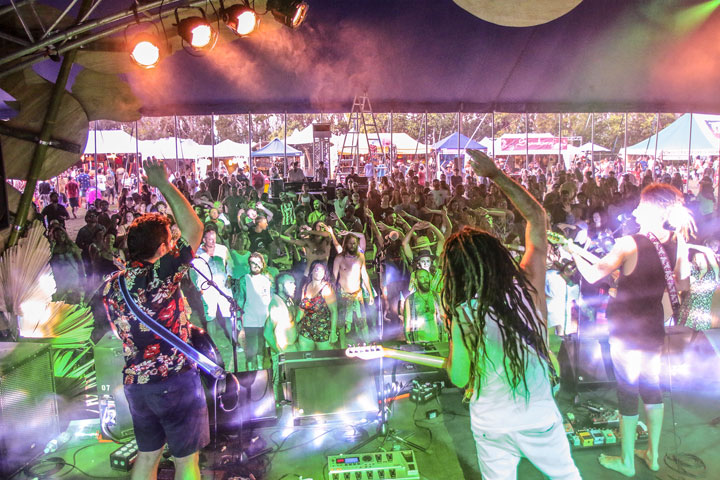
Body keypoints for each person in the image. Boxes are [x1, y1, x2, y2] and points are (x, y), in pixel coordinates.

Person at [443, 149, 581, 480]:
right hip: (538, 417)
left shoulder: (464, 313)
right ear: (498, 257)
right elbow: (537, 217)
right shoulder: (530, 286)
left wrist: (451, 356)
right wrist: (496, 176)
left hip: (492, 424)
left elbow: (460, 378)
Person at [569, 183, 693, 477]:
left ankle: (625, 461)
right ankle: (653, 455)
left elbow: (590, 273)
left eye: (640, 204)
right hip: (653, 326)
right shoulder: (678, 241)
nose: (635, 209)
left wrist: (573, 252)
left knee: (627, 390)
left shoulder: (628, 243)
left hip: (625, 330)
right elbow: (683, 284)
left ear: (652, 209)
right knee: (652, 388)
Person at [98, 158, 206, 480]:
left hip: (137, 386)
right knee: (187, 463)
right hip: (173, 380)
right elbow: (195, 230)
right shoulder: (157, 276)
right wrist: (162, 183)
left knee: (147, 458)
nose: (174, 245)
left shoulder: (112, 285)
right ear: (161, 249)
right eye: (170, 243)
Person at [333, 234, 374, 347]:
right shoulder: (339, 258)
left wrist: (370, 294)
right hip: (343, 295)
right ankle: (342, 347)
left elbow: (364, 275)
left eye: (354, 243)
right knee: (341, 323)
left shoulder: (361, 257)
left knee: (362, 321)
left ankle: (367, 344)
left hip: (357, 295)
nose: (352, 245)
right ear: (346, 244)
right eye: (350, 243)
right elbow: (333, 277)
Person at [237, 252, 273, 371]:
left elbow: (272, 299)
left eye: (258, 262)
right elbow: (241, 299)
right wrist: (238, 317)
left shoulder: (268, 279)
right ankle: (251, 370)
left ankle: (262, 368)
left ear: (263, 264)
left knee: (263, 346)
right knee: (251, 347)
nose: (256, 265)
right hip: (250, 318)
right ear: (249, 265)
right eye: (253, 263)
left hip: (265, 318)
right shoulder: (244, 280)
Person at [297, 261, 339, 350]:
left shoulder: (326, 288)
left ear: (324, 274)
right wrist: (294, 323)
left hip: (323, 331)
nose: (319, 272)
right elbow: (301, 309)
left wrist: (333, 332)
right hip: (306, 330)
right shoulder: (305, 286)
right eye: (316, 269)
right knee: (305, 358)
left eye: (322, 270)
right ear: (311, 271)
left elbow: (334, 311)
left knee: (324, 360)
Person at [403, 269, 444, 343]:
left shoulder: (436, 297)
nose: (425, 280)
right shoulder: (410, 299)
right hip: (419, 342)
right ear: (416, 281)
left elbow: (443, 317)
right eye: (422, 277)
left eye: (427, 277)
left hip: (436, 340)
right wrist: (409, 341)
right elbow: (407, 322)